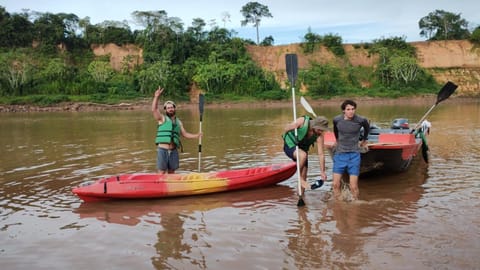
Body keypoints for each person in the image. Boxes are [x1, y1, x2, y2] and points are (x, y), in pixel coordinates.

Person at [152, 87, 202, 174]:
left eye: (172, 107)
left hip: (173, 150)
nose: (170, 109)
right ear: (165, 110)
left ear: (174, 109)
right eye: (168, 108)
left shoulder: (178, 122)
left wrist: (197, 135)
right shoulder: (162, 118)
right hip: (163, 150)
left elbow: (185, 134)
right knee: (161, 172)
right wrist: (156, 97)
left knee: (172, 172)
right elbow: (154, 109)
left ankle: (172, 186)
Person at [332, 99, 370, 200]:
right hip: (340, 154)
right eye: (348, 109)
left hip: (354, 155)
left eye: (353, 109)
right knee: (335, 185)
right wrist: (337, 140)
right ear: (344, 111)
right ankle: (339, 204)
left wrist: (364, 140)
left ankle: (355, 207)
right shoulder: (337, 119)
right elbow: (335, 129)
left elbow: (367, 128)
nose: (351, 111)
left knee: (353, 187)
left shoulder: (361, 120)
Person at [283, 115, 329, 192]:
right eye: (320, 130)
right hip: (290, 145)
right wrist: (293, 126)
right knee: (303, 155)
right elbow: (285, 129)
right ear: (315, 126)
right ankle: (299, 178)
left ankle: (301, 197)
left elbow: (321, 155)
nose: (321, 132)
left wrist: (322, 172)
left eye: (323, 130)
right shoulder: (302, 121)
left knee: (304, 176)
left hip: (302, 150)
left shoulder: (319, 137)